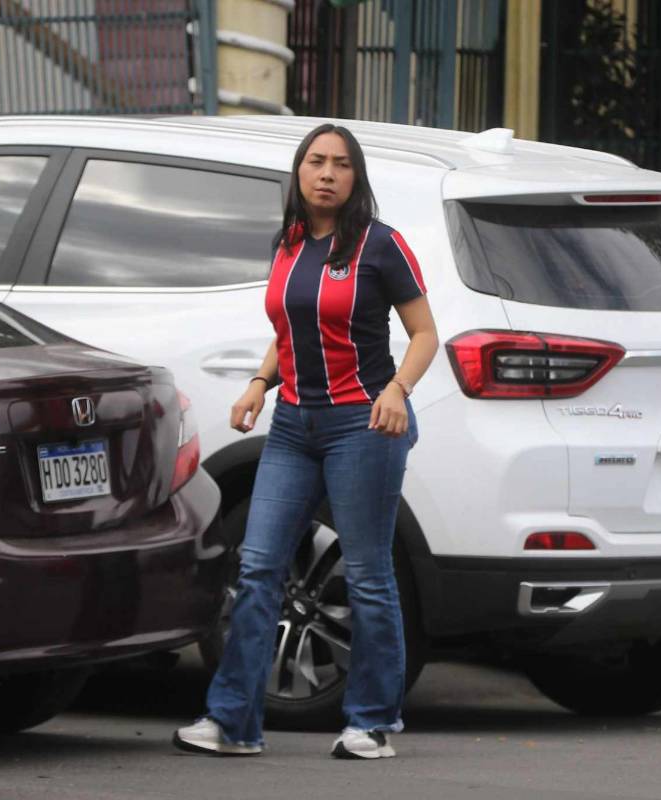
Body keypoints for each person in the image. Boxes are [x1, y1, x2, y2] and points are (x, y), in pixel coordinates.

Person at [173, 123, 439, 760]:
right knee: (258, 568)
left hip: (363, 426)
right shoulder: (290, 241)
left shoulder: (381, 245)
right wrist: (259, 383)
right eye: (316, 162)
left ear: (356, 178)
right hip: (294, 425)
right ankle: (233, 722)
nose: (327, 174)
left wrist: (397, 390)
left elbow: (425, 334)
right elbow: (290, 327)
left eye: (341, 164)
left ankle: (370, 723)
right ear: (299, 172)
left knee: (369, 573)